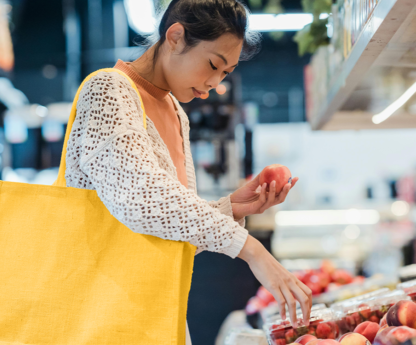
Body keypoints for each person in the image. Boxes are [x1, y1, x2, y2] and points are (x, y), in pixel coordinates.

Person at [65, 0, 312, 342]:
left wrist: (231, 208)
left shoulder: (175, 111)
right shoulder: (109, 90)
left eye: (225, 73)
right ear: (176, 36)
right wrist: (251, 249)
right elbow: (140, 199)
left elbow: (164, 231)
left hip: (155, 313)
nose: (214, 81)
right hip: (100, 318)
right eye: (213, 64)